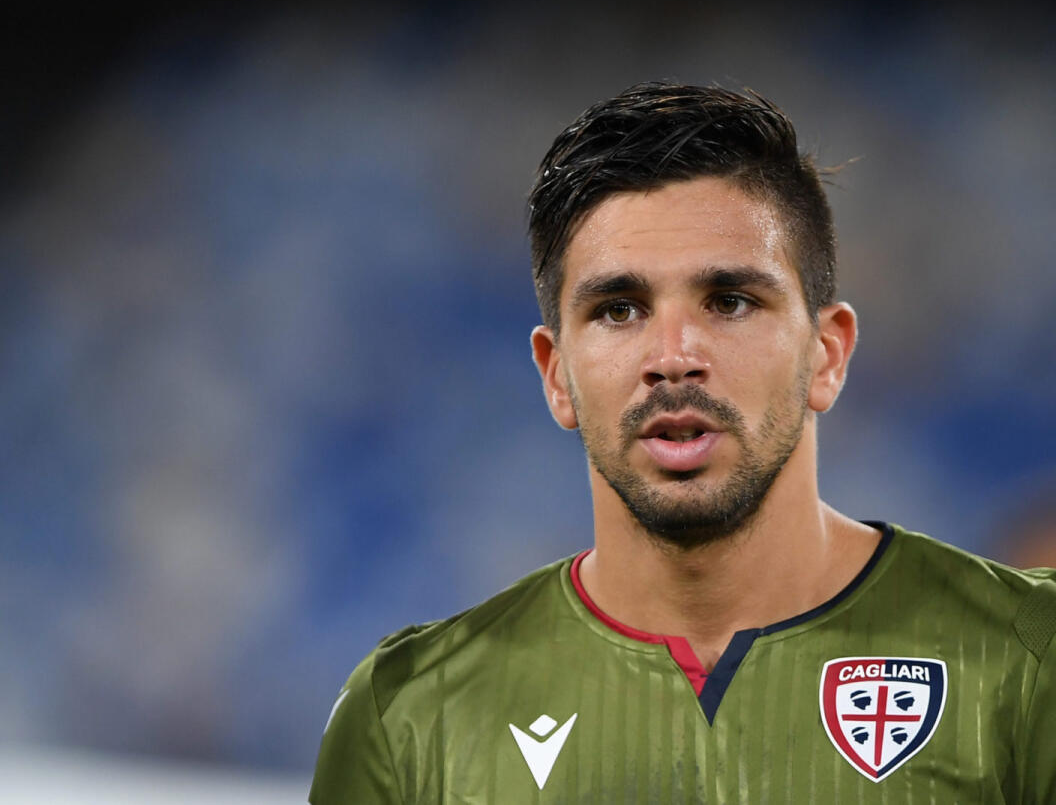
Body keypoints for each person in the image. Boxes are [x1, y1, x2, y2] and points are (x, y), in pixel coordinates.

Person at [309, 82, 1056, 802]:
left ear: (826, 355)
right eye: (619, 309)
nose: (673, 356)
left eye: (730, 301)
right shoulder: (411, 717)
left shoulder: (1031, 659)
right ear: (556, 374)